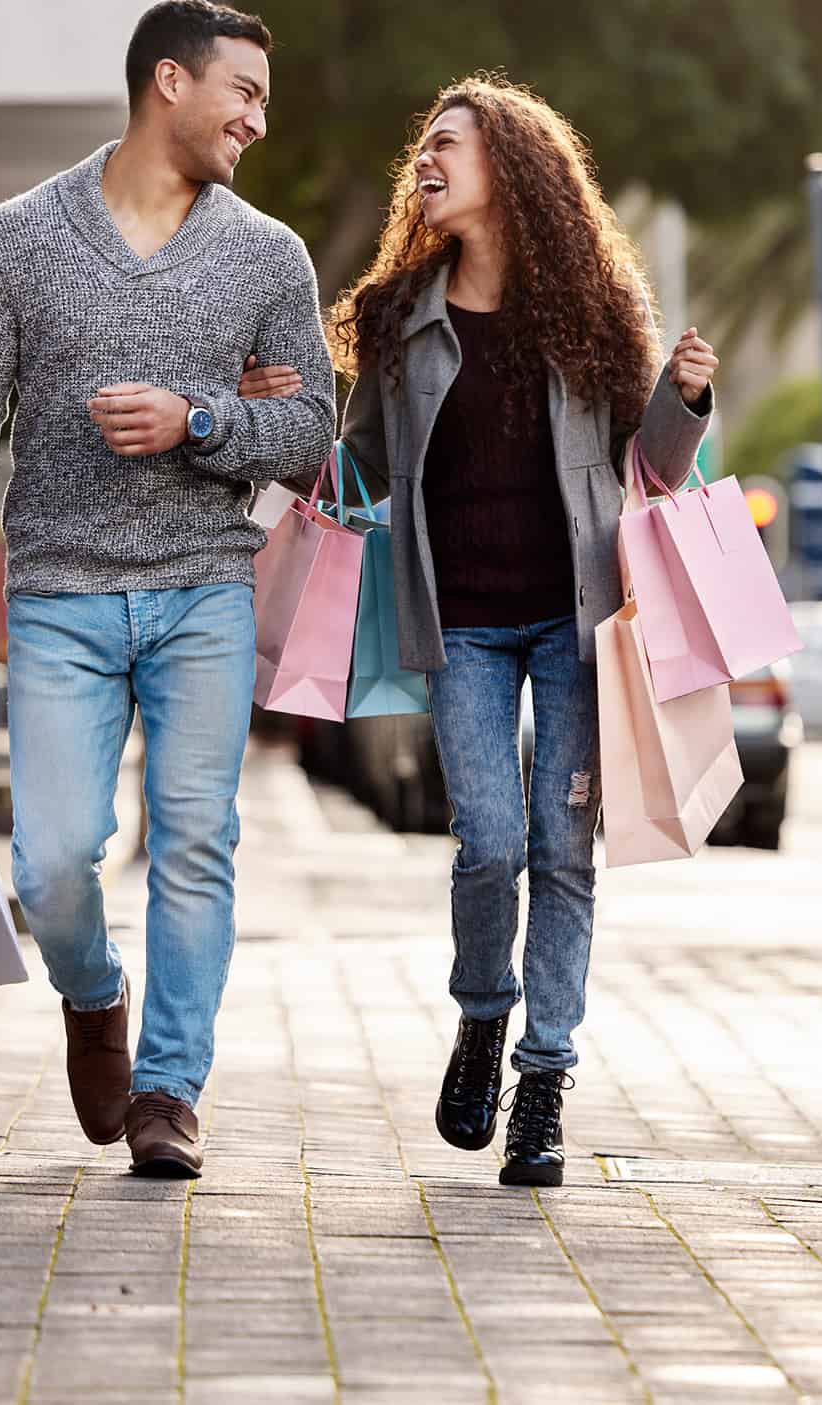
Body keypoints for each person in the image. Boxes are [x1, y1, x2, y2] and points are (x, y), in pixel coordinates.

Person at [0, 0, 335, 1180]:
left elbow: (310, 432)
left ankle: (168, 1090)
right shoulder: (17, 238)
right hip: (60, 595)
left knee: (196, 842)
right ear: (168, 83)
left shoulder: (266, 255)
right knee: (49, 856)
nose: (255, 120)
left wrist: (203, 420)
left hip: (203, 590)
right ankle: (94, 994)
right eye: (242, 94)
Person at [242, 75, 718, 1185]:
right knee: (489, 842)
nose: (427, 159)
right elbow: (357, 467)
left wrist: (682, 399)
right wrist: (278, 429)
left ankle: (543, 1081)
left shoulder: (594, 310)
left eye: (448, 144)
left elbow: (645, 470)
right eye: (426, 144)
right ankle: (480, 1018)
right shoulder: (399, 316)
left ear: (509, 169)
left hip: (571, 620)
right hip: (456, 624)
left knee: (561, 849)